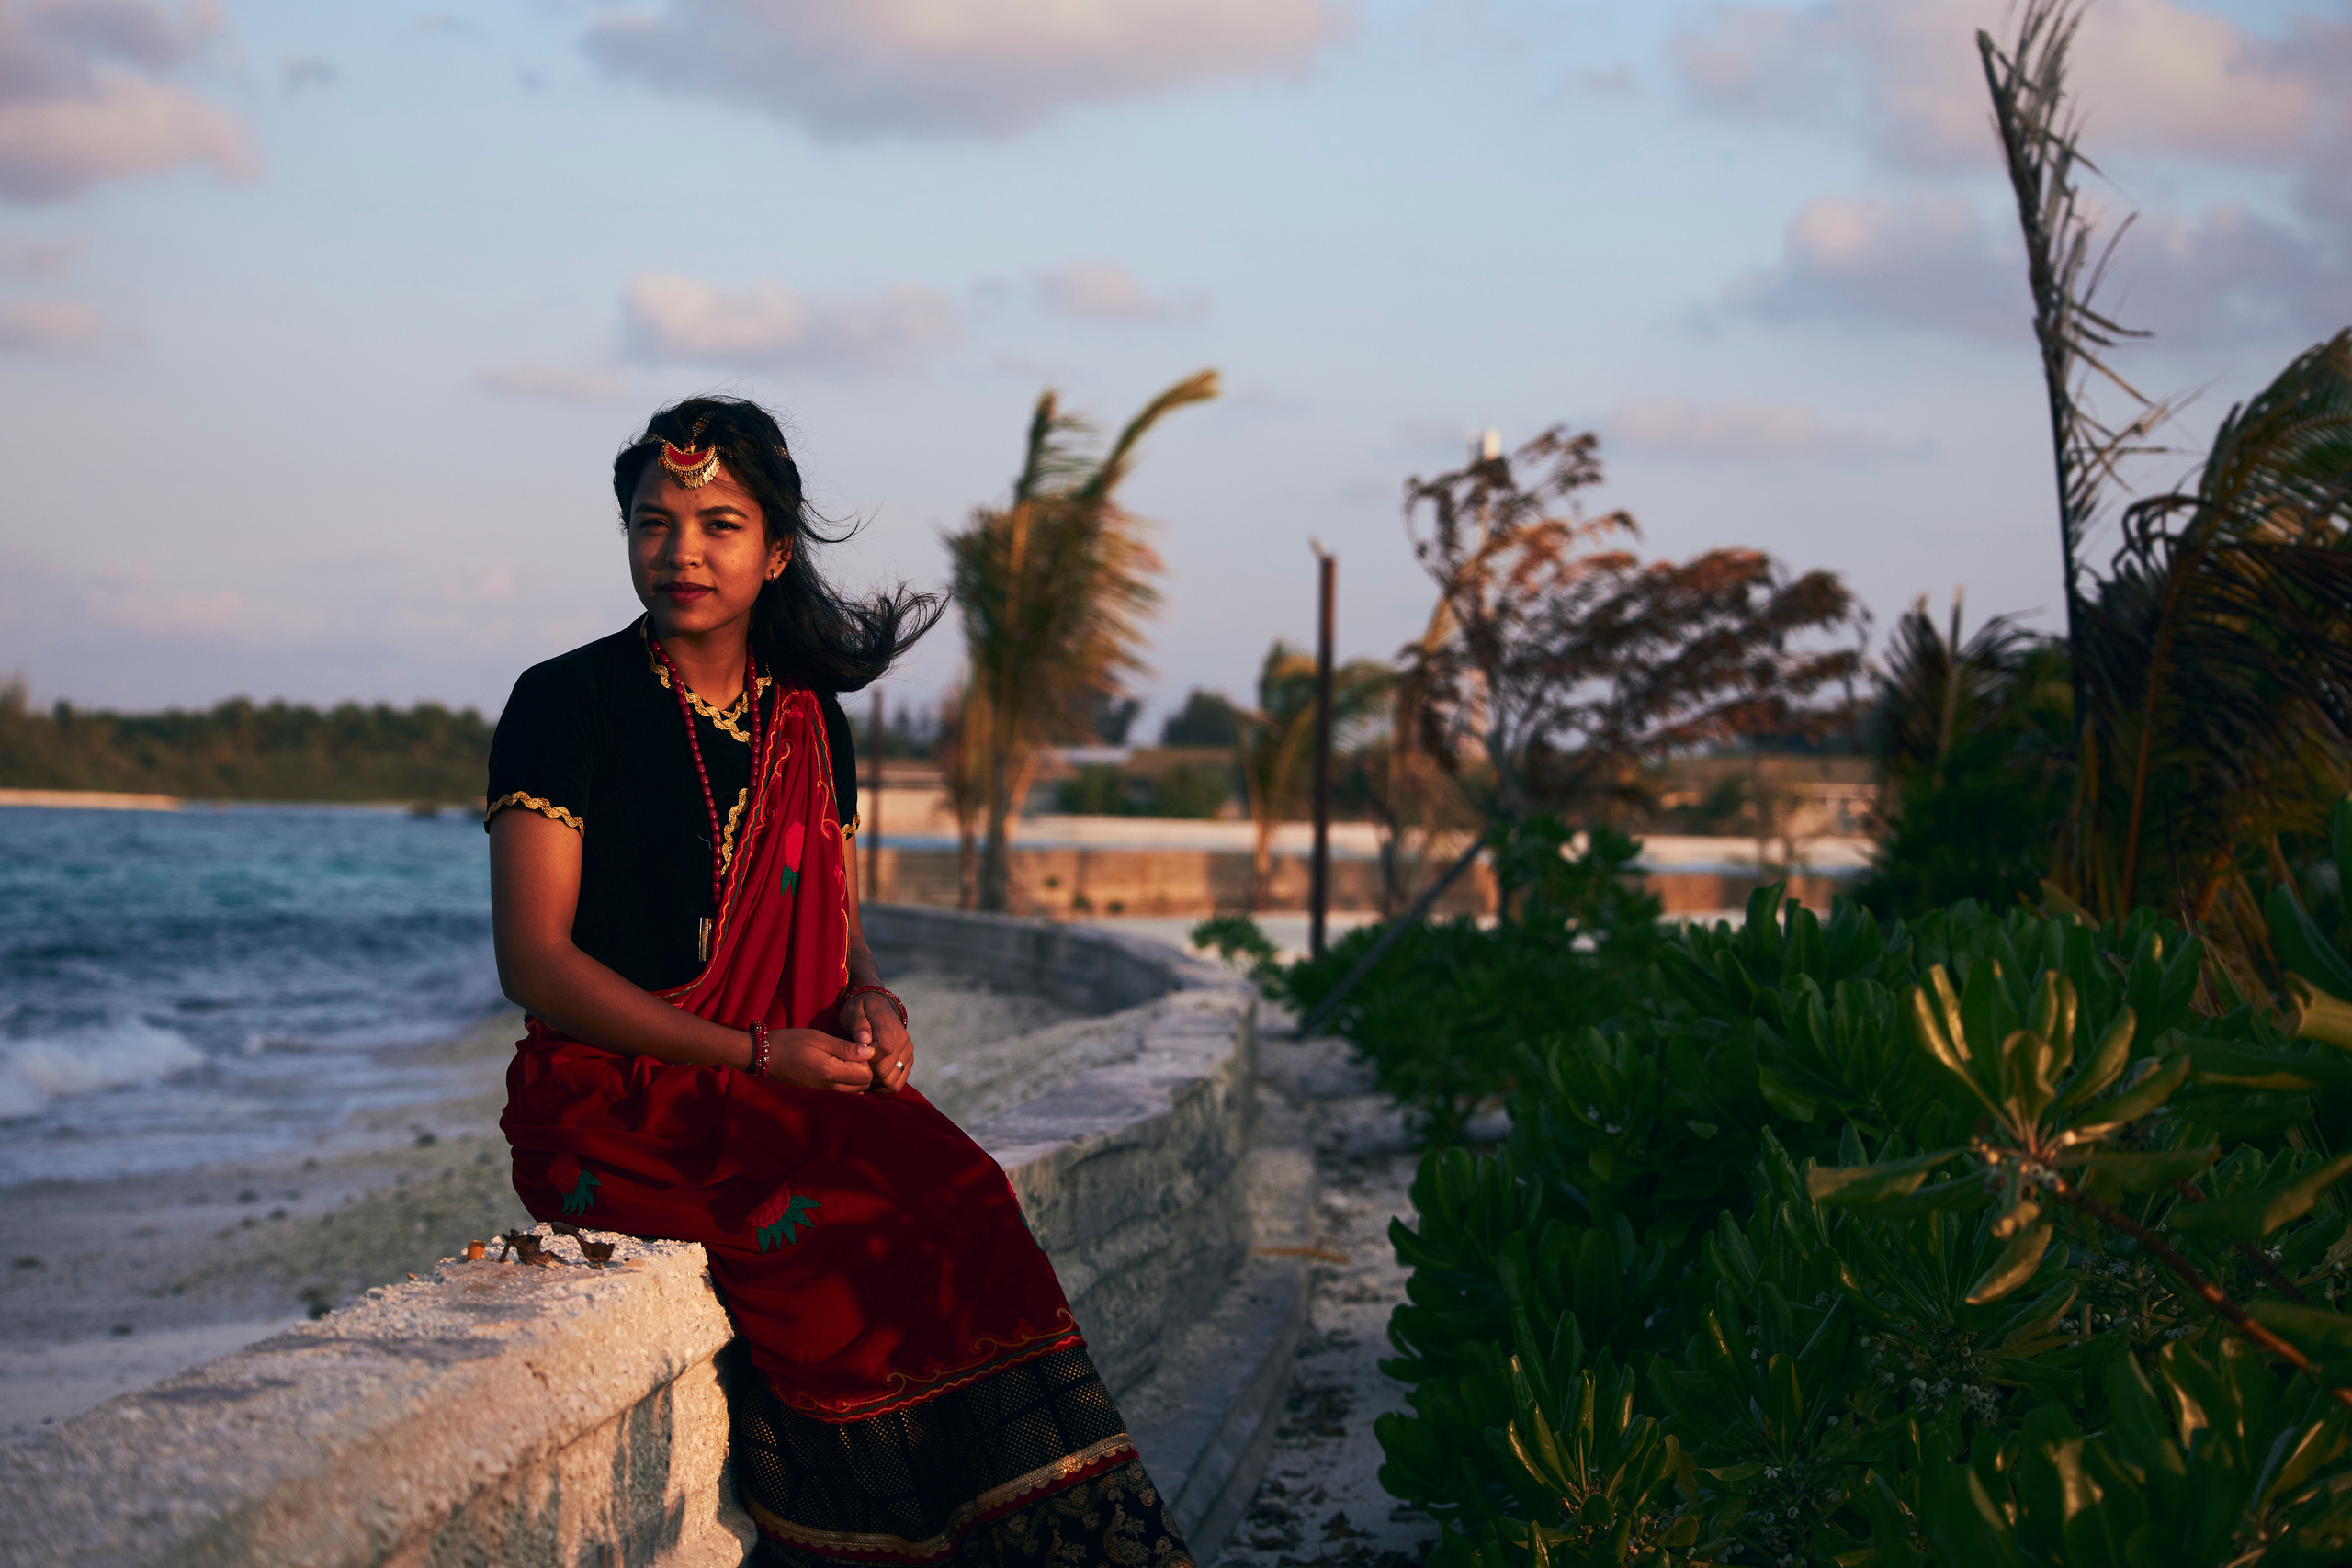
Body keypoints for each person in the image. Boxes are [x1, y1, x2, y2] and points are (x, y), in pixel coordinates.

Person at [485, 397, 1194, 1568]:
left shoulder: (809, 717)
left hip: (784, 1077)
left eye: (718, 525)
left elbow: (840, 928)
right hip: (618, 1092)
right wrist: (760, 1053)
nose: (681, 552)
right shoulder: (567, 702)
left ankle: (1030, 1536)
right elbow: (536, 963)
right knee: (839, 1232)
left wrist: (870, 999)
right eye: (654, 524)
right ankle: (870, 1539)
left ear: (774, 552)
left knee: (965, 1193)